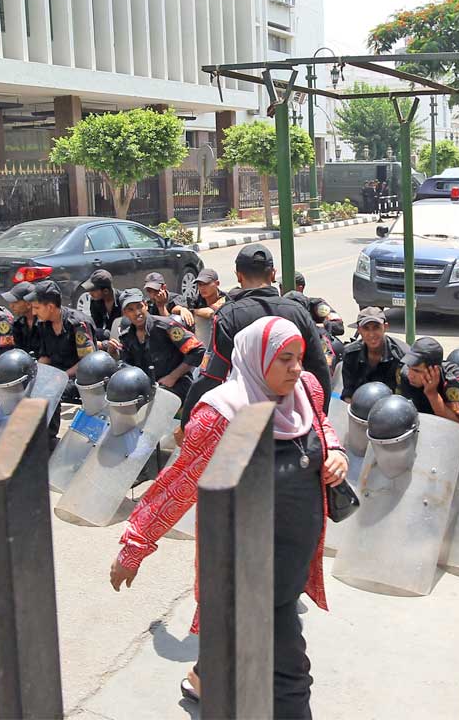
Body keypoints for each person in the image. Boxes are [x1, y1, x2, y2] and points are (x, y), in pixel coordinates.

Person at [110, 316, 347, 715]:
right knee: (289, 676)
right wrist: (135, 546)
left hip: (292, 562)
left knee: (239, 651)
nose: (296, 368)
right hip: (249, 570)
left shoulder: (305, 391)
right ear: (257, 360)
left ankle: (207, 679)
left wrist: (335, 451)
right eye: (284, 359)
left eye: (299, 357)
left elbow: (319, 425)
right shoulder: (225, 415)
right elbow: (177, 484)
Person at [182, 243, 333, 424]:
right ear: (273, 274)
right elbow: (319, 370)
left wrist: (186, 423)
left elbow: (212, 376)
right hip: (294, 420)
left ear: (238, 276)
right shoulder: (298, 312)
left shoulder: (229, 316)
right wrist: (319, 419)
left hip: (247, 424)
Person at [116, 288, 204, 408]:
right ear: (125, 313)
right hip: (145, 391)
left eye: (139, 306)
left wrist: (173, 377)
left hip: (176, 387)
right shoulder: (126, 337)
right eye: (130, 310)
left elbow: (197, 350)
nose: (137, 313)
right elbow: (126, 365)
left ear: (146, 305)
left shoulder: (166, 327)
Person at [28, 279, 96, 403]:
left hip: (78, 378)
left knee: (49, 393)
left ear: (50, 307)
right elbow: (45, 357)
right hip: (56, 375)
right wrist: (35, 375)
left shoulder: (77, 324)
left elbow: (86, 362)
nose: (33, 312)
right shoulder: (43, 324)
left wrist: (62, 376)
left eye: (37, 308)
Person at [397, 336, 459, 423]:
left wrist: (432, 394)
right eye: (409, 367)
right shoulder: (405, 375)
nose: (410, 375)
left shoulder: (455, 382)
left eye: (417, 371)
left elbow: (458, 422)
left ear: (434, 370)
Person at [339, 307, 405, 401]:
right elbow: (348, 393)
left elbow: (405, 396)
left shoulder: (400, 355)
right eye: (366, 328)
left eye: (376, 327)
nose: (371, 334)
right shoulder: (351, 354)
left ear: (385, 327)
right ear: (359, 330)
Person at [2, 281, 40, 354]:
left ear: (28, 304)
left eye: (15, 302)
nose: (11, 306)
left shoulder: (45, 324)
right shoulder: (18, 324)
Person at [84, 269, 121, 343]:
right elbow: (96, 325)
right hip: (107, 337)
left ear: (106, 291)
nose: (90, 293)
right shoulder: (95, 301)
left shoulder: (122, 300)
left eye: (93, 290)